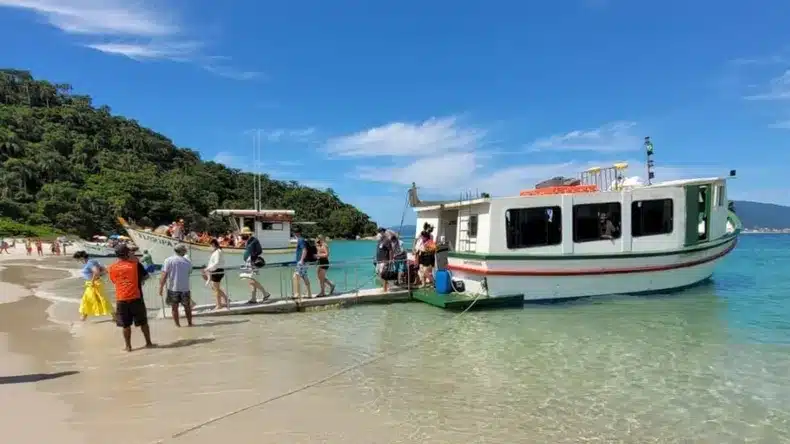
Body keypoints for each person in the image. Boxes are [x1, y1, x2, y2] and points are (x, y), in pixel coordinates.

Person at [107, 244, 154, 352]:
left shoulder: (112, 268)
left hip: (121, 299)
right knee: (143, 322)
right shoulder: (135, 265)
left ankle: (128, 347)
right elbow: (146, 276)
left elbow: (114, 281)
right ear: (128, 253)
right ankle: (149, 343)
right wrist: (140, 280)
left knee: (125, 325)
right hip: (136, 297)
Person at [73, 251, 114, 321]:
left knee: (94, 299)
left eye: (78, 259)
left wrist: (92, 281)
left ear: (82, 257)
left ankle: (115, 315)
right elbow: (105, 270)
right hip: (94, 283)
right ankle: (84, 315)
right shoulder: (92, 261)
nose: (78, 261)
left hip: (94, 284)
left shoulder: (90, 263)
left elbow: (96, 272)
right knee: (94, 298)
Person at [159, 244, 193, 327]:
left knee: (174, 308)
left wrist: (160, 287)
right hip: (185, 288)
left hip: (173, 288)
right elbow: (189, 272)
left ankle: (178, 325)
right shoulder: (187, 262)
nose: (186, 251)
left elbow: (164, 275)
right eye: (185, 250)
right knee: (187, 308)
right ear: (182, 251)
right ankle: (190, 324)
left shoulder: (168, 260)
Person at [240, 227, 270, 304]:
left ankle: (265, 293)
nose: (242, 236)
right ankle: (253, 298)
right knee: (250, 281)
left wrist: (253, 255)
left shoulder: (254, 241)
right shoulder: (247, 241)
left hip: (253, 262)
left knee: (252, 280)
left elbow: (260, 251)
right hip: (247, 263)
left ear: (248, 234)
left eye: (243, 234)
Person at [204, 239, 229, 309]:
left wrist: (208, 268)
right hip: (215, 270)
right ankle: (226, 299)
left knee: (216, 289)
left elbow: (217, 262)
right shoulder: (216, 251)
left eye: (210, 245)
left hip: (217, 270)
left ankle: (219, 305)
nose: (210, 246)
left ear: (213, 244)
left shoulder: (218, 252)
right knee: (214, 288)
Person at [291, 227, 313, 298]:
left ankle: (297, 294)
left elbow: (304, 250)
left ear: (296, 233)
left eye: (294, 233)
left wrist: (301, 260)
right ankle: (309, 294)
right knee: (304, 276)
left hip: (302, 262)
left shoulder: (300, 240)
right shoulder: (303, 239)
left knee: (295, 276)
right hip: (305, 262)